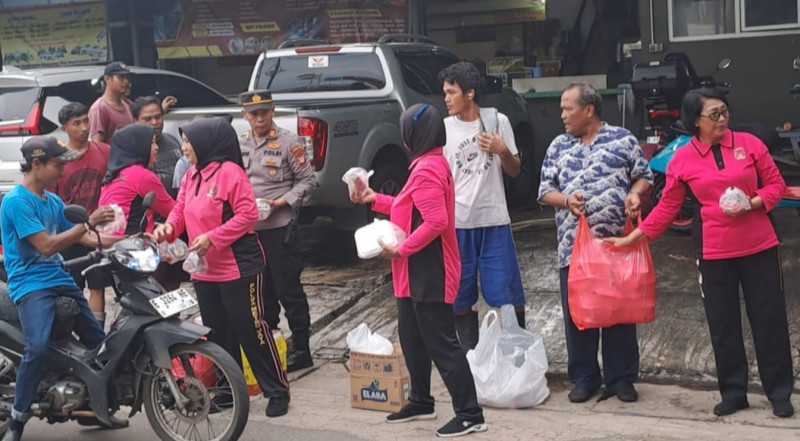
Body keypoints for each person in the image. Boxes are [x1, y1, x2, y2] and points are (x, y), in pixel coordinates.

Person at [605, 88, 794, 418]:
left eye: (725, 111)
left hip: (760, 246)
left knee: (769, 321)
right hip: (714, 252)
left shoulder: (750, 145)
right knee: (723, 325)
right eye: (714, 114)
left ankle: (779, 392)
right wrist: (632, 238)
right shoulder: (682, 160)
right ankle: (733, 392)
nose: (723, 119)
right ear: (695, 121)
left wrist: (752, 203)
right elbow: (667, 207)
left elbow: (777, 186)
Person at [351, 104, 487, 438]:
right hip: (413, 270)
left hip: (430, 269)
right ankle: (421, 400)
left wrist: (402, 249)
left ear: (413, 135)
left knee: (442, 343)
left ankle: (470, 414)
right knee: (412, 338)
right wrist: (374, 199)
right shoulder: (427, 163)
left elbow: (436, 221)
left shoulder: (427, 170)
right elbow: (407, 208)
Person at [153, 117, 291, 417]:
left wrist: (213, 238)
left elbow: (248, 215)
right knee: (217, 333)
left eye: (188, 142)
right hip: (204, 270)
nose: (184, 148)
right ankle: (228, 393)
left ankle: (277, 390)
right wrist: (169, 228)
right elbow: (179, 209)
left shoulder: (230, 173)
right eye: (184, 142)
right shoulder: (191, 175)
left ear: (206, 143)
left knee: (251, 330)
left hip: (239, 267)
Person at [537, 83, 653, 404]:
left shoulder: (622, 139)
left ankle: (621, 379)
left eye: (567, 109)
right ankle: (585, 378)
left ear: (589, 110)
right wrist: (566, 200)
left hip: (617, 245)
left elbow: (644, 176)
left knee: (619, 312)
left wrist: (634, 193)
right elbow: (544, 191)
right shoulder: (558, 146)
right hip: (573, 248)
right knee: (580, 314)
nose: (562, 115)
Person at [0, 137, 117, 441]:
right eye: (58, 164)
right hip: (30, 284)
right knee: (37, 347)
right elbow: (47, 246)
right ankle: (17, 421)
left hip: (59, 278)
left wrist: (127, 242)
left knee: (99, 343)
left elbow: (83, 238)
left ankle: (98, 408)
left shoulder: (52, 201)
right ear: (37, 164)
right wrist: (88, 223)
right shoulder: (16, 202)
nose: (63, 171)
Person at [437, 61, 526, 349]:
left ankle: (515, 356)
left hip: (494, 222)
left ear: (470, 93)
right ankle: (469, 360)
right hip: (457, 225)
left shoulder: (497, 121)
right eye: (445, 93)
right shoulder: (443, 129)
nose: (446, 99)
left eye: (451, 92)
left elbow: (514, 170)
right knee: (459, 298)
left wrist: (502, 151)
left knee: (508, 297)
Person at [238, 90, 316, 372]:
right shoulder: (240, 144)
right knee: (261, 293)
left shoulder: (289, 142)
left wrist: (281, 203)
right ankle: (271, 346)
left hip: (280, 230)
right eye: (253, 114)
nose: (259, 119)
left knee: (288, 290)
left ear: (273, 112)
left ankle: (302, 348)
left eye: (264, 112)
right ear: (245, 115)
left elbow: (308, 182)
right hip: (251, 232)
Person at [51, 102, 112, 323]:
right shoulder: (58, 161)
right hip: (70, 235)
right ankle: (72, 333)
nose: (85, 127)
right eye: (77, 123)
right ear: (64, 128)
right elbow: (53, 202)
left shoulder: (104, 151)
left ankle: (97, 333)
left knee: (98, 286)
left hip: (99, 233)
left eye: (86, 121)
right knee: (72, 289)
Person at [132, 96, 184, 199]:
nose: (155, 123)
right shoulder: (130, 149)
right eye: (148, 119)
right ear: (135, 121)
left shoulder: (172, 141)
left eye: (158, 117)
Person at [89, 62, 135, 144]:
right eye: (121, 77)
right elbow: (97, 145)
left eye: (127, 78)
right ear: (107, 79)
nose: (126, 82)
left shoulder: (127, 104)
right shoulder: (99, 109)